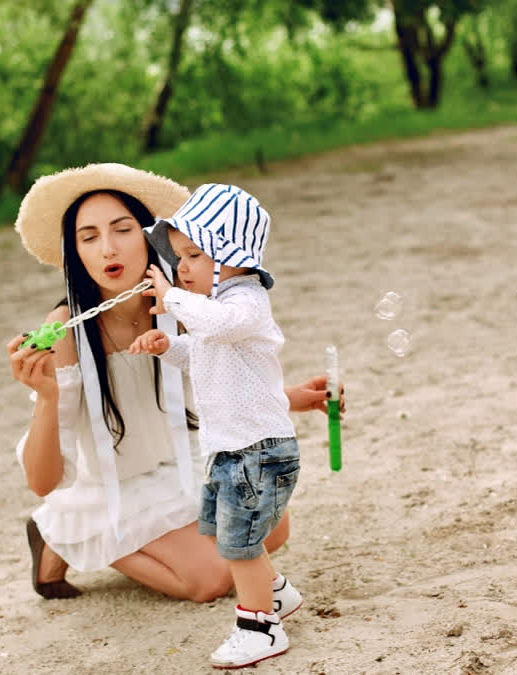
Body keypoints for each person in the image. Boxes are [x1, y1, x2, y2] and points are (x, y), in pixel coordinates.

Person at [7, 164, 343, 607]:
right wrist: (48, 398)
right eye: (89, 237)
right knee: (207, 581)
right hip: (113, 485)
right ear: (77, 254)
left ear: (151, 237)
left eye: (123, 229)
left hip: (177, 466)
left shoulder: (182, 304)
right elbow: (42, 480)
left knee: (273, 529)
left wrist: (298, 397)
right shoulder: (66, 330)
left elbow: (219, 386)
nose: (108, 248)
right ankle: (57, 533)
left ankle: (129, 540)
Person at [129, 183, 300, 668]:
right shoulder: (213, 314)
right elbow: (205, 351)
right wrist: (170, 347)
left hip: (259, 449)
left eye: (193, 255)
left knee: (240, 544)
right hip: (230, 449)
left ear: (230, 257)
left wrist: (173, 301)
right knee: (220, 534)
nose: (180, 267)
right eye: (179, 256)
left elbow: (219, 327)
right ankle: (275, 593)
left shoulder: (244, 305)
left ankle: (260, 628)